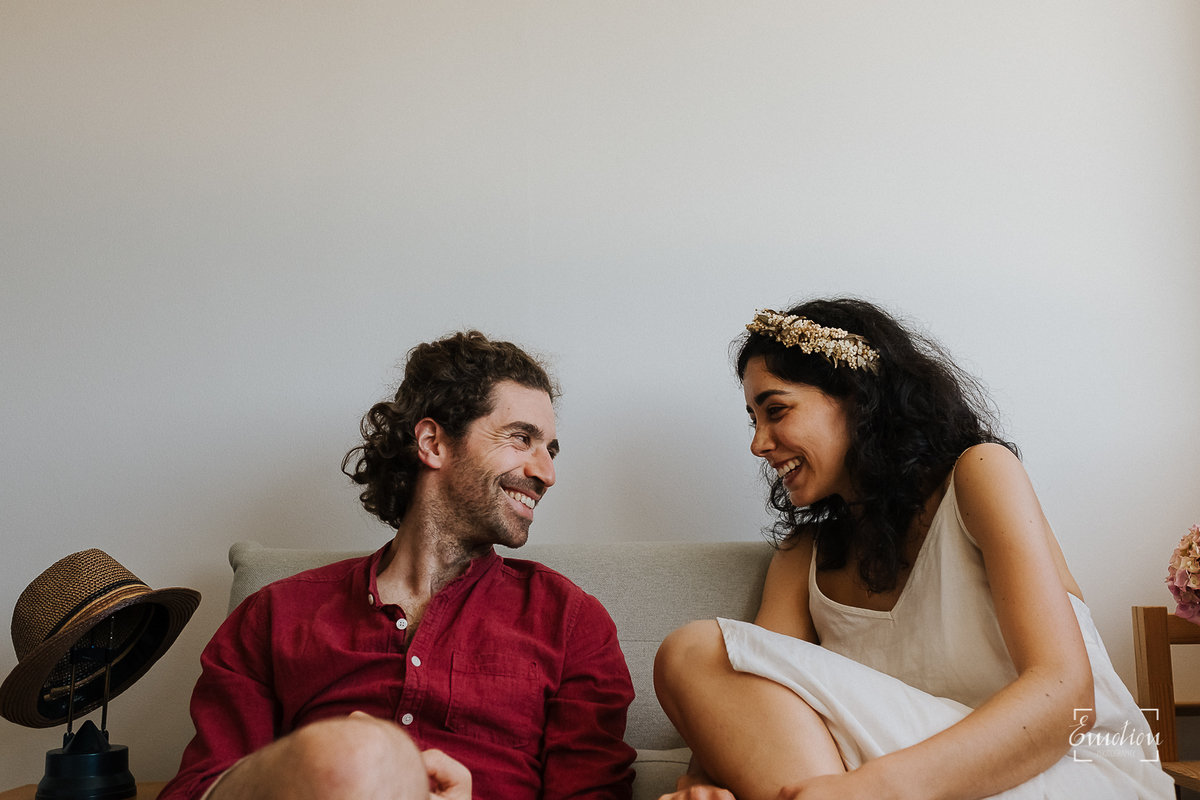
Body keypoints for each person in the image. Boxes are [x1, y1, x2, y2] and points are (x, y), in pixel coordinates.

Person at [653, 299, 1172, 800]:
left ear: (858, 398)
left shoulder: (981, 475)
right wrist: (701, 780)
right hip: (913, 776)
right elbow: (750, 685)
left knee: (697, 648)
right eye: (754, 420)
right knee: (693, 656)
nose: (759, 443)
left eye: (776, 411)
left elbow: (1065, 694)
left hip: (1068, 764)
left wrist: (871, 789)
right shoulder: (802, 554)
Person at [160, 331, 636, 800]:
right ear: (432, 442)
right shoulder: (274, 616)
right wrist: (329, 760)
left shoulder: (571, 622)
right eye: (521, 438)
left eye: (550, 450)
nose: (546, 473)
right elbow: (196, 790)